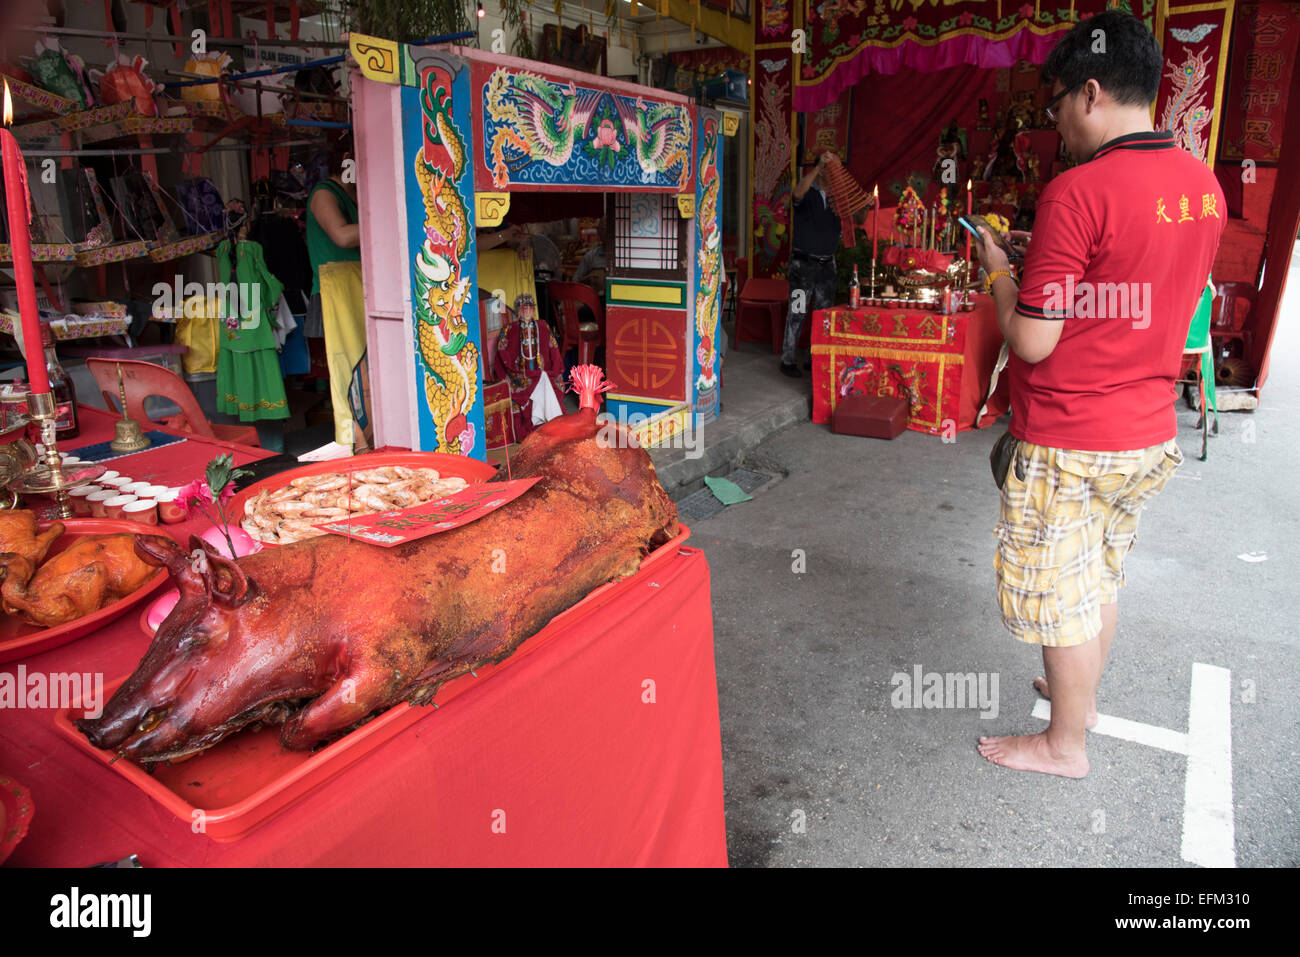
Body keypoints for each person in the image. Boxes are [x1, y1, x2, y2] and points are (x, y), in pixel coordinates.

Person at [973, 11, 1225, 778]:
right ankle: (1075, 694)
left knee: (1060, 590)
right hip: (1147, 431)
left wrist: (995, 270)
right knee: (1100, 575)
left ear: (1089, 94)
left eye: (1054, 110)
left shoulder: (1077, 193)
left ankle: (1063, 742)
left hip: (1072, 434)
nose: (1054, 128)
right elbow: (1138, 291)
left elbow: (1032, 339)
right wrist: (1044, 258)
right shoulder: (1205, 188)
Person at [781, 152, 841, 377]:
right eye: (828, 166)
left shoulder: (838, 197)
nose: (831, 170)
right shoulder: (808, 192)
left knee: (823, 314)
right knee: (797, 311)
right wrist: (817, 168)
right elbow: (797, 193)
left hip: (827, 266)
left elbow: (860, 220)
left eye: (835, 166)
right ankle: (787, 360)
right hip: (802, 265)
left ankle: (813, 357)